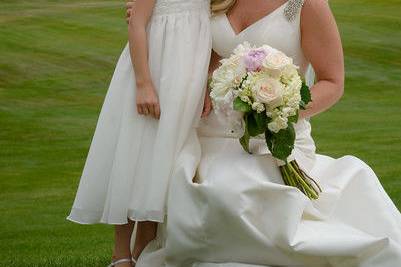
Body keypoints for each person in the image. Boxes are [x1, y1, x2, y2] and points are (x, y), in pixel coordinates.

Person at [126, 0, 401, 266]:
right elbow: (199, 40)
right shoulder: (217, 0)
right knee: (184, 178)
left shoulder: (303, 4)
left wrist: (280, 111)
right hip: (210, 132)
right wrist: (148, 12)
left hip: (272, 139)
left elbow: (333, 82)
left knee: (233, 193)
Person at [67, 0, 211, 266]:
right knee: (138, 149)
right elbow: (137, 23)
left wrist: (207, 81)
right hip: (156, 65)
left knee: (162, 158)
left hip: (189, 71)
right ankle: (120, 252)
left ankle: (144, 249)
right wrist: (144, 83)